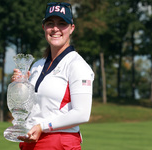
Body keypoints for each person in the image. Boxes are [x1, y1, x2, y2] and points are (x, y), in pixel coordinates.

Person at [11, 2, 94, 150]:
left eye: (62, 23)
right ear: (44, 27)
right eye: (50, 23)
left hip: (59, 142)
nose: (55, 29)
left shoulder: (77, 65)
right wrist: (20, 87)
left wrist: (43, 127)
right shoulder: (37, 65)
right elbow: (36, 107)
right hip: (31, 141)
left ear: (71, 28)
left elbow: (82, 114)